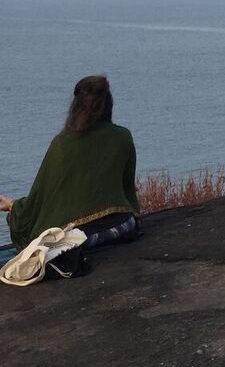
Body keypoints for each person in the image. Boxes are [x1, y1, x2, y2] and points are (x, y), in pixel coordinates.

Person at [0, 75, 141, 252]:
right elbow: (127, 188)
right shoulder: (123, 136)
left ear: (76, 107)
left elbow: (39, 198)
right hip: (122, 227)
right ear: (108, 104)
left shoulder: (62, 144)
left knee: (52, 242)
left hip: (81, 238)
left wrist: (13, 207)